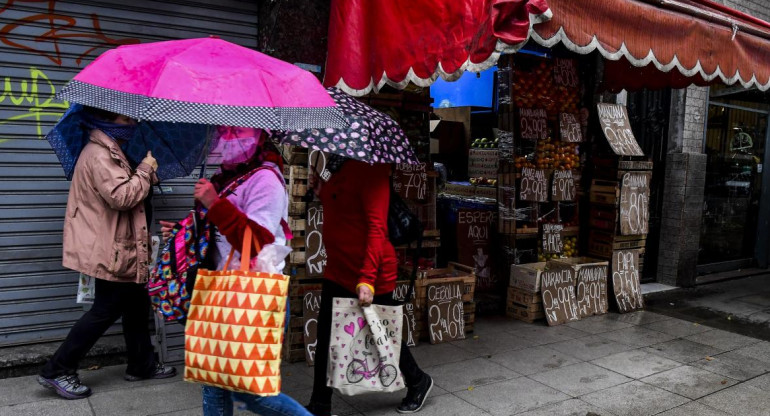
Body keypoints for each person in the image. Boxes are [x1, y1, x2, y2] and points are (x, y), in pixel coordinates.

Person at [161, 126, 312, 416]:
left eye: (236, 131)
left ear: (259, 135)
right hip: (220, 290)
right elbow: (217, 234)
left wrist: (214, 204)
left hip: (251, 295)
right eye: (222, 131)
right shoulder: (225, 179)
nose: (226, 138)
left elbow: (255, 241)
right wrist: (185, 230)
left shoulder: (266, 180)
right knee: (213, 383)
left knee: (253, 394)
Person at [38, 106, 176, 400]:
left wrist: (145, 176)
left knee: (137, 305)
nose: (133, 123)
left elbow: (127, 188)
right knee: (105, 310)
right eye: (126, 119)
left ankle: (142, 364)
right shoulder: (100, 154)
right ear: (106, 120)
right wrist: (145, 169)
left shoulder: (112, 151)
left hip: (123, 246)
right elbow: (122, 197)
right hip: (113, 248)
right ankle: (57, 368)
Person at [306, 157, 433, 416]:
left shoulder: (373, 171)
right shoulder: (339, 167)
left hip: (371, 271)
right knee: (325, 336)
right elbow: (341, 206)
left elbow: (377, 229)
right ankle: (320, 404)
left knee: (381, 335)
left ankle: (418, 381)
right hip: (338, 270)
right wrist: (321, 191)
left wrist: (366, 279)